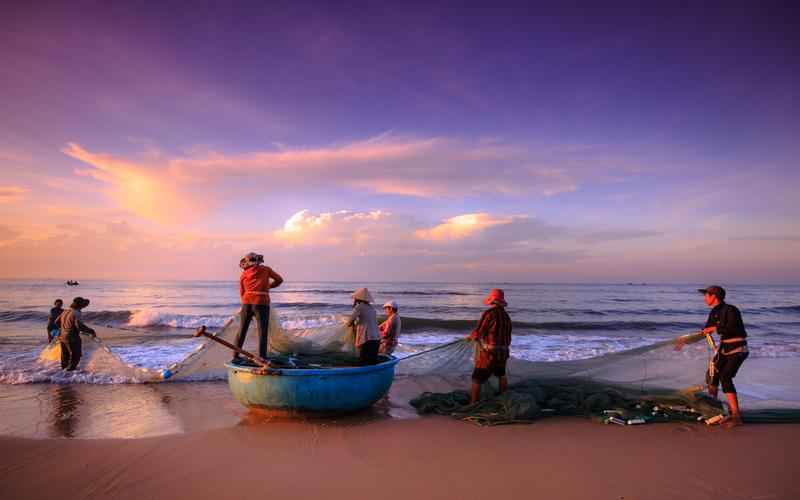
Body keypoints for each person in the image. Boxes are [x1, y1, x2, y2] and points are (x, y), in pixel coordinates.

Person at [676, 285, 748, 428]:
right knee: (712, 375)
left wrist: (715, 328)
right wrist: (685, 341)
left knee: (725, 377)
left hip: (738, 348)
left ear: (714, 296)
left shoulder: (731, 310)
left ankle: (736, 416)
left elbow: (733, 328)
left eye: (706, 295)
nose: (704, 298)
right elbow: (705, 331)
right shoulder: (714, 312)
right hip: (724, 348)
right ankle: (714, 410)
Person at [233, 252, 283, 363]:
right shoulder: (266, 270)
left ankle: (235, 356)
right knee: (262, 331)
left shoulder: (244, 274)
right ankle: (262, 357)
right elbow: (279, 280)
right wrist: (268, 286)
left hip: (247, 303)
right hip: (262, 302)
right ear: (259, 261)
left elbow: (242, 292)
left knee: (242, 330)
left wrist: (245, 305)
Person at [466, 289, 512, 404]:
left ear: (492, 301)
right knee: (501, 375)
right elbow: (508, 337)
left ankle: (473, 404)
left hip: (489, 353)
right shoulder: (506, 316)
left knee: (476, 378)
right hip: (504, 352)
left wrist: (471, 337)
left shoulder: (489, 314)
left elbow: (479, 333)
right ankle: (504, 400)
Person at [57, 297, 96, 371]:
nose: (85, 305)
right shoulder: (76, 313)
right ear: (79, 304)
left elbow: (57, 322)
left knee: (65, 358)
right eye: (83, 303)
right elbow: (79, 326)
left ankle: (61, 376)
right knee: (76, 357)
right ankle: (69, 374)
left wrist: (65, 329)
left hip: (62, 337)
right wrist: (91, 331)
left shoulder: (65, 311)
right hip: (72, 338)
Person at [346, 288, 380, 365]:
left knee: (363, 362)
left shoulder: (360, 307)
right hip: (377, 339)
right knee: (372, 363)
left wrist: (351, 324)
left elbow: (350, 321)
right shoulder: (371, 308)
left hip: (367, 339)